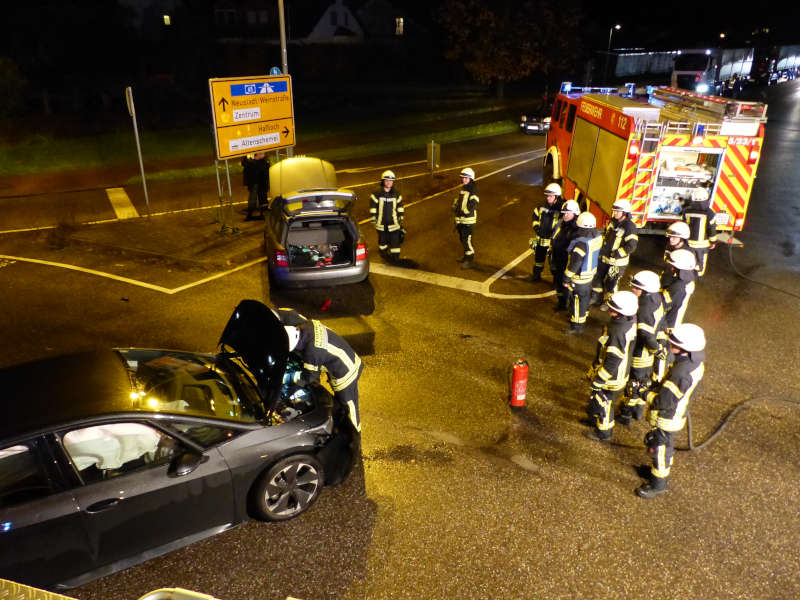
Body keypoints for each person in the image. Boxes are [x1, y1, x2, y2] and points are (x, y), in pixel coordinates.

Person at [637, 323, 706, 498]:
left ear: (685, 349)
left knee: (660, 448)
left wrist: (644, 393)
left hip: (668, 416)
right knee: (663, 445)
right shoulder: (693, 363)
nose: (671, 345)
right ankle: (656, 473)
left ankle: (658, 483)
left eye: (675, 344)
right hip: (676, 411)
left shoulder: (681, 373)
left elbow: (663, 401)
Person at [285, 320, 363, 433]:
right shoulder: (304, 326)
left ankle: (355, 437)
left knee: (349, 408)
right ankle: (341, 430)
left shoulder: (312, 352)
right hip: (346, 358)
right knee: (339, 406)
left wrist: (289, 377)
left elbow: (310, 379)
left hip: (346, 372)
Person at [585, 290, 638, 441]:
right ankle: (594, 419)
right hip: (619, 370)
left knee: (605, 401)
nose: (609, 309)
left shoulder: (618, 331)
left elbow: (613, 359)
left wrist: (600, 379)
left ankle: (604, 432)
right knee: (601, 398)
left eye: (613, 308)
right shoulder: (628, 321)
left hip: (612, 375)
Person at [617, 270, 665, 426]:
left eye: (636, 288)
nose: (633, 290)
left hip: (641, 352)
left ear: (645, 290)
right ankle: (637, 411)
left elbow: (645, 334)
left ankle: (625, 414)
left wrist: (656, 350)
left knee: (634, 384)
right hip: (649, 352)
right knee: (643, 382)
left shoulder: (644, 307)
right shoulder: (656, 299)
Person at [655, 249, 698, 381]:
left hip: (669, 322)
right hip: (675, 320)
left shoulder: (677, 287)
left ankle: (658, 378)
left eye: (674, 266)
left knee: (662, 352)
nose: (671, 267)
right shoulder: (687, 280)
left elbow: (662, 304)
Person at [592, 199, 639, 309]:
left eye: (618, 211)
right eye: (614, 211)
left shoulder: (630, 227)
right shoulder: (613, 222)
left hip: (617, 262)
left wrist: (617, 253)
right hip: (605, 258)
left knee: (611, 283)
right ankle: (597, 297)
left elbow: (632, 246)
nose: (615, 213)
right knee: (597, 277)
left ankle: (608, 302)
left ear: (625, 212)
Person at [563, 212, 603, 334]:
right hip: (589, 275)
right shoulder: (597, 237)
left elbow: (575, 263)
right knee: (584, 300)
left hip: (579, 278)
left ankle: (576, 326)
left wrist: (566, 277)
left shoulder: (581, 243)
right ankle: (582, 319)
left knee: (577, 301)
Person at [548, 199, 580, 311]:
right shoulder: (562, 223)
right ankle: (562, 303)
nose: (565, 215)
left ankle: (570, 308)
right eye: (564, 213)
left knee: (568, 286)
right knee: (558, 283)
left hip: (567, 261)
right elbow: (554, 237)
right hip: (558, 258)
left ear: (575, 213)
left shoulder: (577, 229)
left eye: (567, 213)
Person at [528, 183, 563, 281]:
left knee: (554, 264)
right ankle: (536, 275)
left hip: (553, 243)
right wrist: (536, 228)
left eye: (550, 196)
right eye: (547, 195)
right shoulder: (542, 206)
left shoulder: (562, 209)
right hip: (541, 240)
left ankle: (557, 282)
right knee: (538, 260)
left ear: (556, 196)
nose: (548, 198)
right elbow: (535, 215)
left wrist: (556, 237)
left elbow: (563, 225)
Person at [370, 170, 405, 262]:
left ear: (393, 182)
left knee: (395, 241)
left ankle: (396, 258)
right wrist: (373, 218)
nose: (389, 182)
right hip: (381, 224)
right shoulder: (376, 194)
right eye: (387, 180)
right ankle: (384, 255)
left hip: (394, 223)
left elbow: (400, 207)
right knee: (382, 241)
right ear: (383, 181)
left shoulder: (397, 194)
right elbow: (373, 207)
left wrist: (401, 216)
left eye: (391, 181)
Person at [683, 187, 718, 277]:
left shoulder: (686, 211)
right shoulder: (709, 213)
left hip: (688, 243)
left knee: (687, 260)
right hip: (702, 245)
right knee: (700, 264)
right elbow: (711, 229)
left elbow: (683, 225)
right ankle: (696, 277)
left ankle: (685, 275)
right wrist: (713, 242)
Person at [453, 167, 479, 269]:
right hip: (462, 220)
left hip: (468, 220)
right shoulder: (465, 187)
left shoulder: (473, 189)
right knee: (463, 239)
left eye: (466, 178)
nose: (463, 179)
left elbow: (474, 203)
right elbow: (460, 201)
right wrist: (455, 205)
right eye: (462, 178)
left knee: (467, 240)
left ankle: (470, 260)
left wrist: (464, 212)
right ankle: (466, 256)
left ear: (471, 178)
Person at [241, 151, 270, 220]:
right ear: (257, 154)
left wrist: (252, 160)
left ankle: (263, 214)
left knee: (263, 199)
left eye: (263, 153)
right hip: (254, 183)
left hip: (262, 184)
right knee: (252, 199)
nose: (264, 154)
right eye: (262, 153)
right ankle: (250, 214)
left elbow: (260, 167)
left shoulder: (264, 162)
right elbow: (244, 164)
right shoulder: (250, 162)